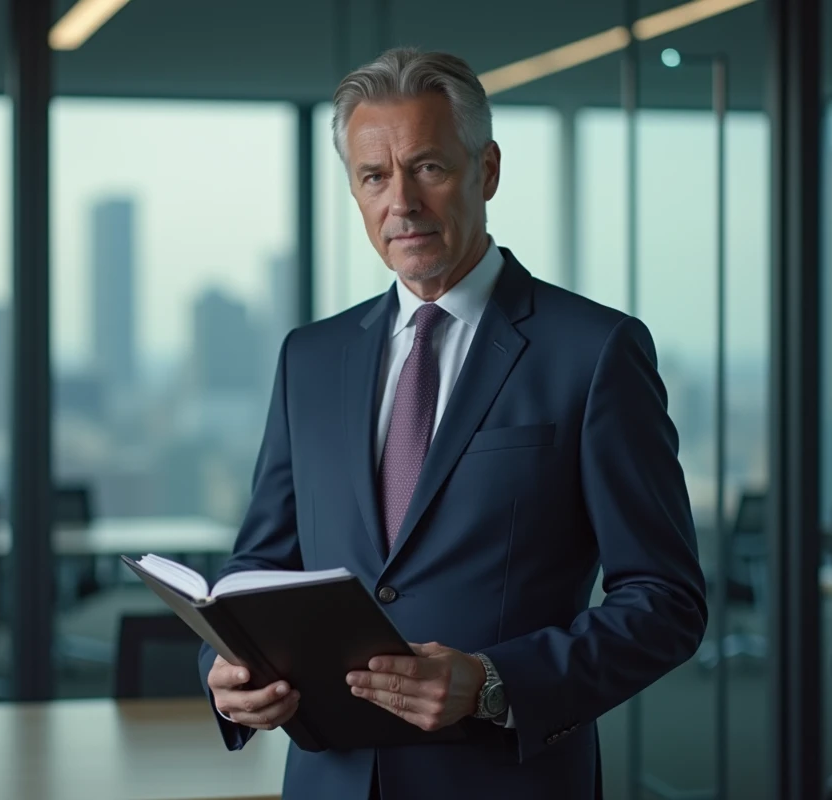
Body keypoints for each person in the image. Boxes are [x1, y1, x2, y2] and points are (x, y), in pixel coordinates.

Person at [198, 47, 708, 800]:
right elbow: (261, 565)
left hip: (505, 780)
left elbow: (666, 601)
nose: (401, 202)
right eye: (374, 177)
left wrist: (493, 681)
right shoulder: (311, 358)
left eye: (428, 168)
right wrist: (228, 672)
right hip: (331, 781)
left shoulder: (594, 351)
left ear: (487, 170)